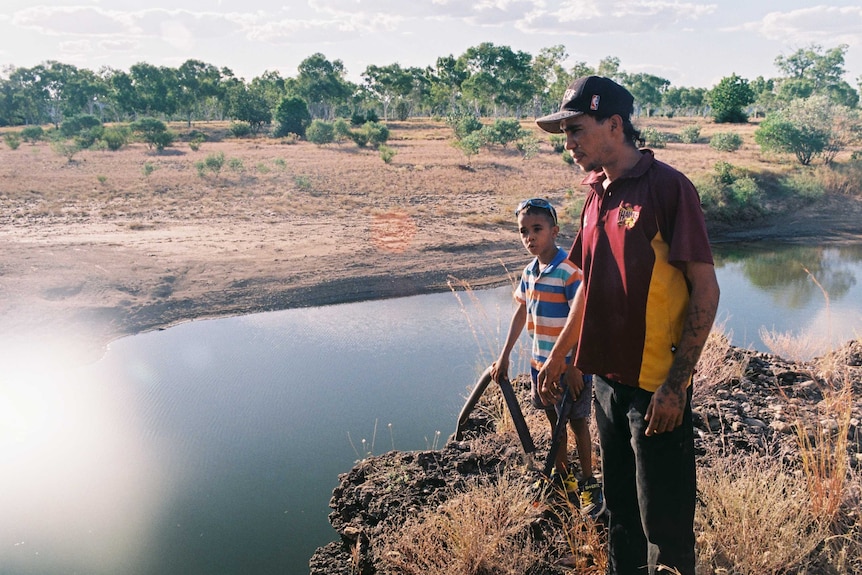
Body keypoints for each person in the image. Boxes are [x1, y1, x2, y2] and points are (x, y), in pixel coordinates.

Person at [534, 76, 720, 575]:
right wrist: (559, 354)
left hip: (655, 391)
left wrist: (676, 387)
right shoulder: (596, 193)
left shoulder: (668, 189)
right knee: (619, 515)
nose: (568, 143)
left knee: (665, 525)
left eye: (576, 129)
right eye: (564, 133)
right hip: (606, 386)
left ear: (614, 125)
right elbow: (589, 286)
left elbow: (706, 290)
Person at [490, 197, 604, 518]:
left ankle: (588, 482)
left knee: (579, 422)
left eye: (537, 229)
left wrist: (575, 366)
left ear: (554, 231)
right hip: (540, 366)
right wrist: (504, 357)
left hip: (569, 368)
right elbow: (521, 312)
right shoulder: (529, 272)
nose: (530, 237)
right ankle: (563, 475)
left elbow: (582, 320)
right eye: (523, 231)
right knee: (554, 423)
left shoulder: (570, 271)